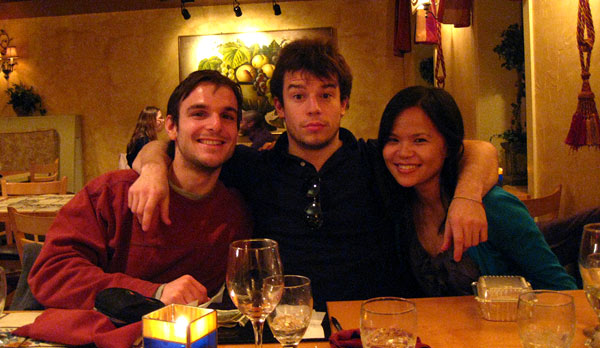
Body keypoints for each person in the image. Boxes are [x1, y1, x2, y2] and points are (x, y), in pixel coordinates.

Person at [129, 39, 499, 309]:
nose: (314, 109)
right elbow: (159, 148)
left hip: (374, 323)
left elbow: (479, 150)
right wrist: (152, 171)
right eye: (299, 96)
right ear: (279, 107)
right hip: (286, 327)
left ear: (344, 104)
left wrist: (466, 197)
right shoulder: (254, 166)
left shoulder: (379, 161)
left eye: (326, 95)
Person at [17, 70, 252, 346]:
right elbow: (51, 273)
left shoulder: (236, 211)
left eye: (227, 116)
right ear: (171, 127)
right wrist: (155, 293)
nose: (215, 125)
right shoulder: (112, 193)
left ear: (237, 130)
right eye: (199, 114)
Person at [377, 86, 576, 296]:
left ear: (448, 146)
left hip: (506, 327)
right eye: (393, 140)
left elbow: (563, 290)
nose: (404, 152)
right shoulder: (400, 205)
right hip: (435, 328)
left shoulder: (494, 206)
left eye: (420, 140)